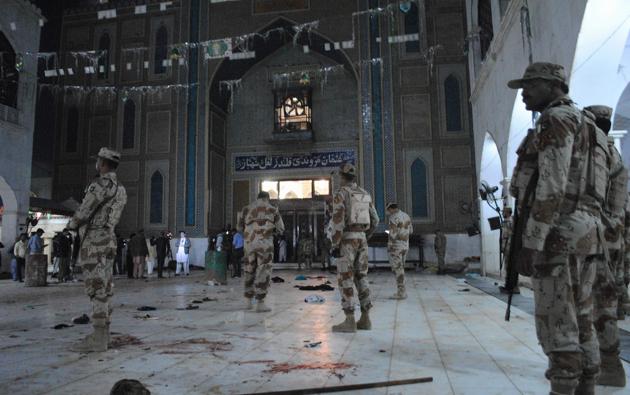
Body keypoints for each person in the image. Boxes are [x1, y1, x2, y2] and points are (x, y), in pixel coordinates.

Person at [507, 62, 604, 394]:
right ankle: (587, 384)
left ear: (552, 85)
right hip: (588, 231)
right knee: (583, 313)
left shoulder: (555, 119)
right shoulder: (589, 123)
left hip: (559, 232)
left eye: (530, 85)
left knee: (557, 319)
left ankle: (563, 387)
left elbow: (552, 184)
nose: (523, 94)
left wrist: (532, 242)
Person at [583, 105, 628, 387]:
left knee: (598, 306)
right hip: (611, 238)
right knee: (605, 304)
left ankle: (608, 365)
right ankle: (606, 363)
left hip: (600, 239)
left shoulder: (601, 158)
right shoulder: (616, 157)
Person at [66, 147, 127, 352]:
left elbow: (85, 209)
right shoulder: (121, 189)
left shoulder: (100, 184)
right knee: (106, 287)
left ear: (101, 163)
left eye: (98, 161)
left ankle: (98, 338)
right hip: (109, 239)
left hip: (94, 240)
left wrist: (72, 225)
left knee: (96, 287)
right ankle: (105, 334)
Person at [329, 163, 379, 333]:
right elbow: (375, 220)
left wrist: (335, 244)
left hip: (347, 240)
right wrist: (365, 235)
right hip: (362, 239)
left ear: (341, 177)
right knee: (362, 277)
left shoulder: (341, 194)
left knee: (346, 278)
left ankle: (349, 319)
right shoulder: (365, 194)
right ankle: (366, 319)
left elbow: (338, 221)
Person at [238, 191, 285, 313]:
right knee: (263, 270)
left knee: (249, 269)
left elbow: (239, 228)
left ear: (257, 198)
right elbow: (281, 229)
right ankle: (260, 303)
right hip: (265, 246)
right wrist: (269, 233)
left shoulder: (246, 209)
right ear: (267, 198)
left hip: (249, 245)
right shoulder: (273, 209)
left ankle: (248, 301)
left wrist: (249, 235)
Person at [386, 202, 413, 300]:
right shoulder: (406, 216)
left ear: (392, 209)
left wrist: (387, 232)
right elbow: (410, 231)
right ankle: (402, 291)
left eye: (388, 210)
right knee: (401, 268)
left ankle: (401, 293)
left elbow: (392, 234)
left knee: (397, 269)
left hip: (396, 247)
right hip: (405, 246)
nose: (388, 212)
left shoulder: (393, 217)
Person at [499, 207, 518, 294]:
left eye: (504, 212)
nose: (503, 213)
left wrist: (507, 247)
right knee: (507, 267)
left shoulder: (510, 222)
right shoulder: (505, 222)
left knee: (511, 267)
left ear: (508, 213)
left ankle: (513, 287)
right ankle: (508, 286)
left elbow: (510, 236)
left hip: (509, 247)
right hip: (506, 247)